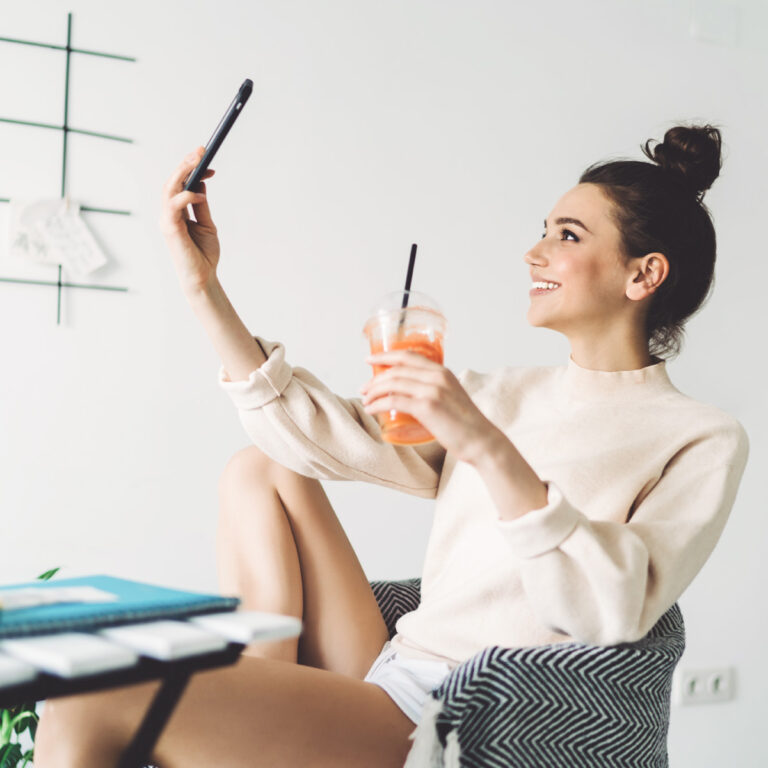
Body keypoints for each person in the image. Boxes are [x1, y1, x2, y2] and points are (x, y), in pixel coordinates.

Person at [35, 124, 749, 767]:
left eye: (567, 235)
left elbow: (610, 611)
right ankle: (261, 679)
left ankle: (254, 700)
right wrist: (202, 285)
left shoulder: (698, 437)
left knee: (87, 696)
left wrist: (480, 440)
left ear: (643, 274)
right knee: (259, 468)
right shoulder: (500, 391)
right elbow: (316, 438)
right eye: (544, 230)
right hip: (388, 667)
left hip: (460, 718)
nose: (533, 251)